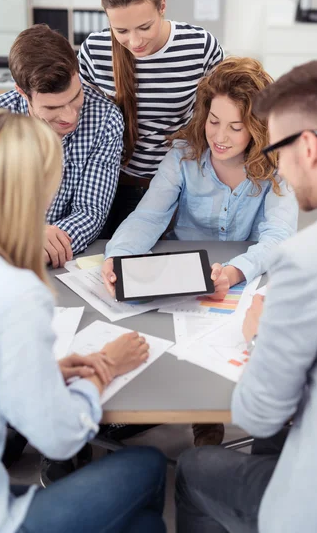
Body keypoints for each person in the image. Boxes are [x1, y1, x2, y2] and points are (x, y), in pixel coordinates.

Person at [174, 59, 317, 533]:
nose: (276, 164)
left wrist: (259, 334)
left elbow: (258, 412)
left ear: (309, 147)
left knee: (194, 471)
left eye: (276, 147)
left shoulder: (308, 257)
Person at [101, 56, 298, 447]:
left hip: (243, 278)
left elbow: (279, 237)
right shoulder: (182, 157)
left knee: (230, 350)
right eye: (213, 120)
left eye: (235, 126)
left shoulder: (278, 165)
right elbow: (147, 218)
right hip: (183, 275)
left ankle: (210, 424)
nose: (219, 136)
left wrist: (234, 273)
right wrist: (117, 258)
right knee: (160, 337)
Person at [0, 109, 166, 533]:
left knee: (145, 527)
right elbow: (59, 438)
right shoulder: (17, 293)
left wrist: (45, 373)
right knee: (149, 463)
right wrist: (103, 369)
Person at [78, 0, 223, 233]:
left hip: (183, 191)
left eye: (144, 27)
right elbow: (82, 127)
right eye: (120, 30)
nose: (134, 41)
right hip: (113, 191)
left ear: (162, 7)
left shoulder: (200, 47)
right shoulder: (94, 52)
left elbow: (225, 114)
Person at [0, 24, 124, 268]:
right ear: (23, 93)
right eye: (52, 108)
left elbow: (90, 212)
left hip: (63, 264)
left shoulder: (106, 120)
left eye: (75, 97)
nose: (70, 117)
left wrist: (45, 245)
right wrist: (26, 239)